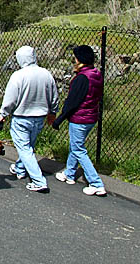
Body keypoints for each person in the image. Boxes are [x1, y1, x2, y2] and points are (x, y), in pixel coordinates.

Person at [0, 45, 59, 193]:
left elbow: (10, 99)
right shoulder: (46, 74)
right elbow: (54, 95)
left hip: (21, 117)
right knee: (28, 146)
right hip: (40, 117)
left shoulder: (18, 76)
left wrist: (3, 114)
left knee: (24, 148)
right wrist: (53, 111)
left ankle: (38, 181)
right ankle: (20, 168)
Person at [52, 45, 107, 196]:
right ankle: (69, 173)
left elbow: (72, 102)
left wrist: (60, 119)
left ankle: (96, 183)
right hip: (91, 116)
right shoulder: (96, 74)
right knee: (75, 144)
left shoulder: (82, 78)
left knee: (78, 149)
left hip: (80, 118)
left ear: (80, 59)